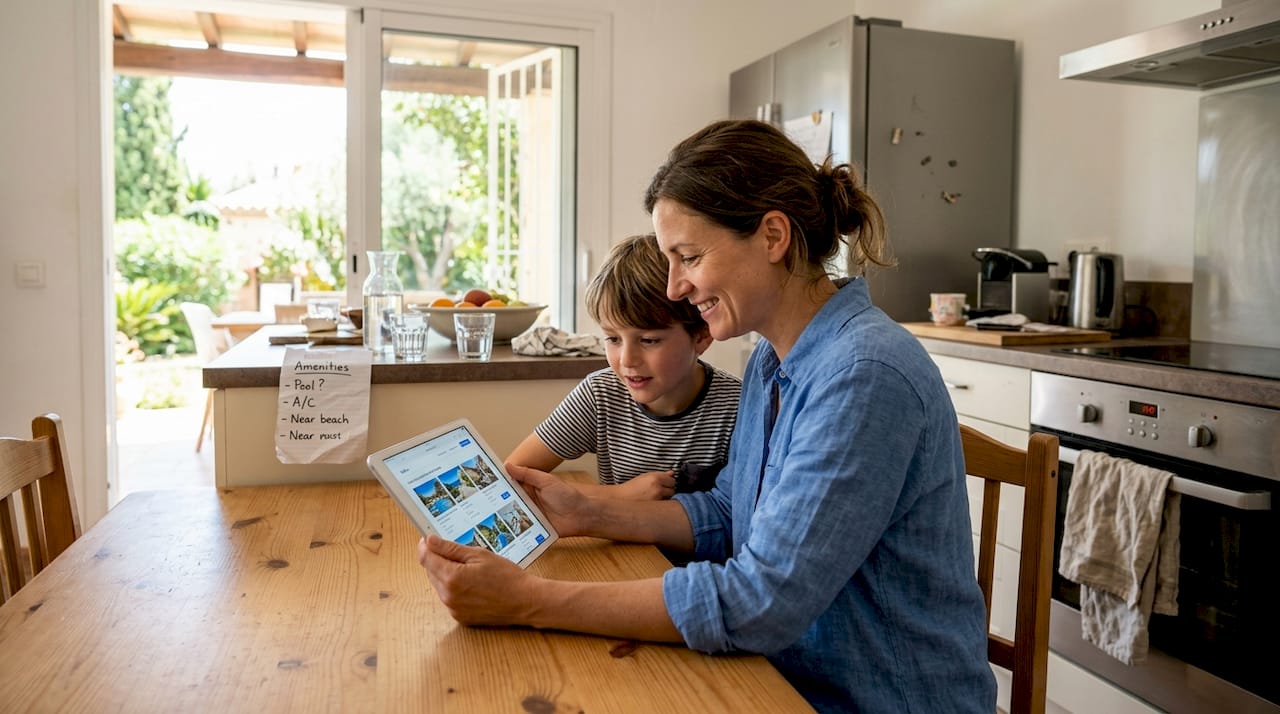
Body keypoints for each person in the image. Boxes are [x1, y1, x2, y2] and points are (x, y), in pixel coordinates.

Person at [420, 119, 996, 713]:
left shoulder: (863, 374)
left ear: (773, 236)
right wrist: (590, 511)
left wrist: (529, 601)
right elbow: (728, 512)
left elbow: (759, 602)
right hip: (782, 679)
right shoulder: (776, 360)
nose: (674, 287)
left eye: (689, 256)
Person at [505, 233, 741, 500]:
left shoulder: (738, 409)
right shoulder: (600, 395)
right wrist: (620, 496)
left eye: (649, 340)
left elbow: (739, 515)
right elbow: (510, 481)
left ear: (702, 336)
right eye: (613, 339)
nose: (627, 360)